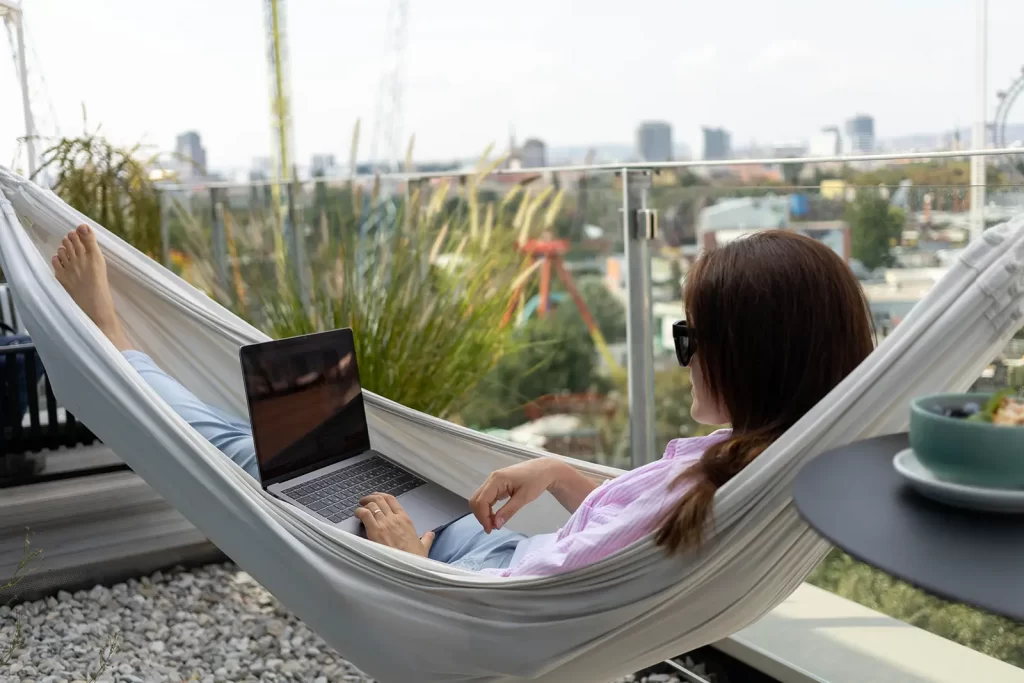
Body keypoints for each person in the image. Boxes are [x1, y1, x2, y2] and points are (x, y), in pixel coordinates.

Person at [52, 224, 873, 577]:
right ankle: (138, 359)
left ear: (751, 359)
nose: (681, 355)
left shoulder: (729, 476)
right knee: (301, 452)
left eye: (691, 340)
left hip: (469, 574)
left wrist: (408, 558)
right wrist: (556, 470)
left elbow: (507, 608)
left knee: (236, 451)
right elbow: (639, 529)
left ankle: (117, 340)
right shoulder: (752, 461)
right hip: (485, 550)